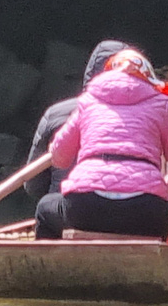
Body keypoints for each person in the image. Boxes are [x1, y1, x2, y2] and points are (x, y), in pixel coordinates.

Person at [33, 48, 168, 239]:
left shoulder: (88, 101)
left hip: (85, 207)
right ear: (149, 78)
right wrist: (163, 188)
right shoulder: (160, 105)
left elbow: (59, 157)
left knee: (45, 208)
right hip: (145, 210)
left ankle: (49, 268)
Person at [22, 39, 133, 201]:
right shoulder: (148, 116)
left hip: (66, 206)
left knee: (46, 206)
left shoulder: (56, 113)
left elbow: (33, 184)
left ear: (91, 72)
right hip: (129, 212)